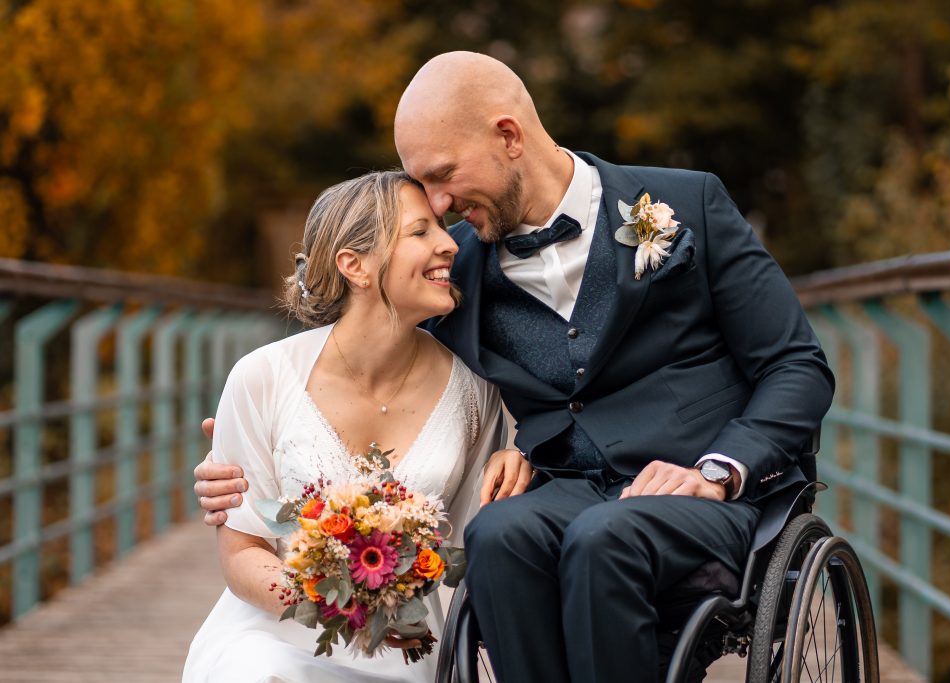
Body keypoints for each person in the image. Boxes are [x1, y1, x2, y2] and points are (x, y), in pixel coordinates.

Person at [195, 52, 834, 683]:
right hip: (571, 490)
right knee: (499, 534)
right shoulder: (454, 268)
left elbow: (796, 364)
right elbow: (374, 349)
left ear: (508, 137)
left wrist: (719, 470)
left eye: (443, 174)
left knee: (603, 541)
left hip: (704, 489)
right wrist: (238, 454)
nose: (438, 205)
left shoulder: (685, 203)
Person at [183, 171, 530, 682]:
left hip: (408, 646)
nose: (447, 244)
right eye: (420, 232)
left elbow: (474, 548)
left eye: (442, 227)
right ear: (355, 265)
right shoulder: (262, 378)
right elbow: (242, 555)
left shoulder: (475, 391)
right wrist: (342, 610)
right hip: (274, 631)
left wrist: (523, 456)